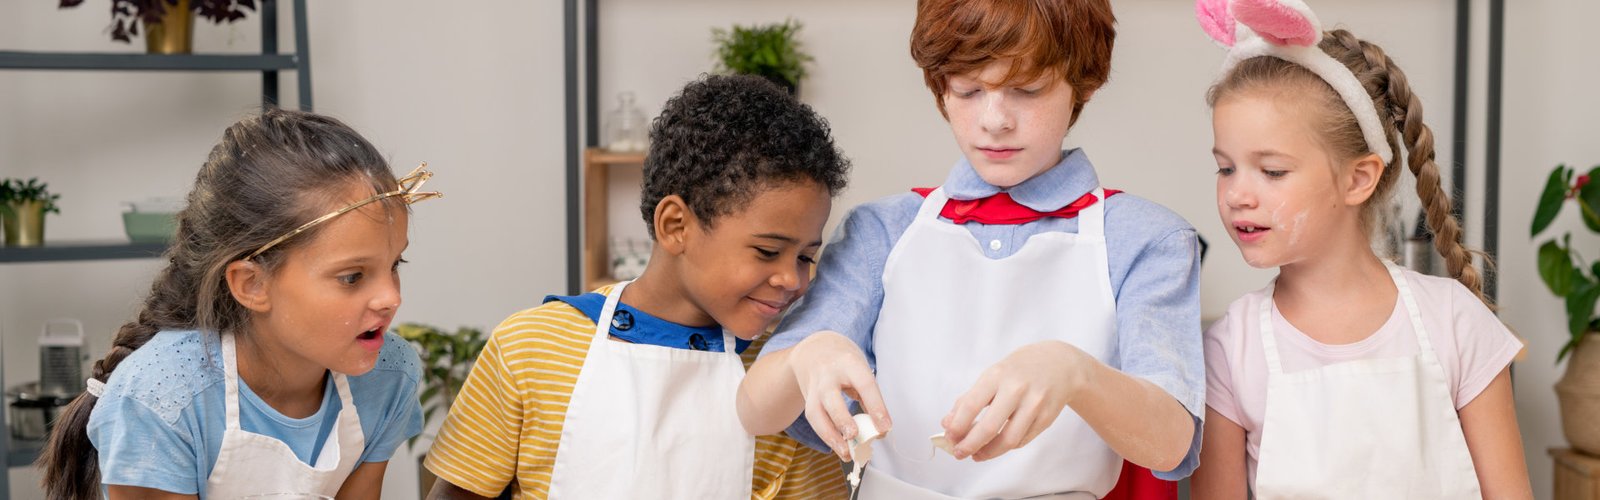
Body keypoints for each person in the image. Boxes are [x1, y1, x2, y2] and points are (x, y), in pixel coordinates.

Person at [736, 0, 1206, 497]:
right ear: (940, 87)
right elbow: (754, 410)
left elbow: (1170, 444)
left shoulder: (1146, 239)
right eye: (969, 89)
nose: (994, 119)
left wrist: (1075, 372)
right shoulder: (882, 231)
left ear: (1083, 84)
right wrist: (805, 355)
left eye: (1026, 89)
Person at [423, 74, 853, 499]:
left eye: (805, 257)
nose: (792, 279)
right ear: (675, 225)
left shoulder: (782, 381)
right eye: (766, 251)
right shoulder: (532, 347)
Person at [1189, 0, 1533, 498]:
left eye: (1272, 171)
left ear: (1358, 179)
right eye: (1226, 168)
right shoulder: (1229, 350)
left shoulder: (1454, 322)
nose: (1238, 194)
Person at [40, 109, 437, 499]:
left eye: (394, 264)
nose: (391, 298)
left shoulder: (388, 376)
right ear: (252, 283)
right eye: (351, 277)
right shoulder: (162, 397)